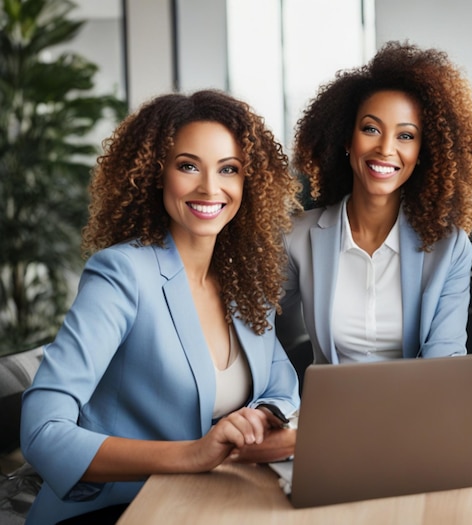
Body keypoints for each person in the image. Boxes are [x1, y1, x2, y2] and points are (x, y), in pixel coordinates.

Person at [20, 89, 302, 524]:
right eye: (188, 166)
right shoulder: (121, 274)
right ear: (156, 174)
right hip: (113, 508)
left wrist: (256, 421)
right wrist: (194, 453)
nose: (210, 187)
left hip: (204, 500)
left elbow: (281, 389)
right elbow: (42, 431)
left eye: (228, 169)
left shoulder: (245, 281)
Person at [279, 41, 472, 364]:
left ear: (423, 151)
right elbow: (261, 335)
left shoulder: (450, 246)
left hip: (417, 409)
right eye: (371, 129)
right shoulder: (298, 236)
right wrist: (277, 403)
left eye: (405, 135)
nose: (386, 149)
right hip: (332, 410)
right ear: (347, 139)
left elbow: (445, 359)